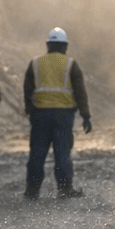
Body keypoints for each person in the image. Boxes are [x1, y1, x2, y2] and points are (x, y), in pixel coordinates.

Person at [23, 26, 92, 199]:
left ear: (48, 45)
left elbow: (27, 90)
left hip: (40, 116)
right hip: (63, 116)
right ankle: (65, 189)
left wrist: (30, 111)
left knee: (37, 154)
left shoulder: (35, 63)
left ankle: (32, 191)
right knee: (62, 153)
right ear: (65, 46)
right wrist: (86, 116)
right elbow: (80, 92)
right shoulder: (70, 64)